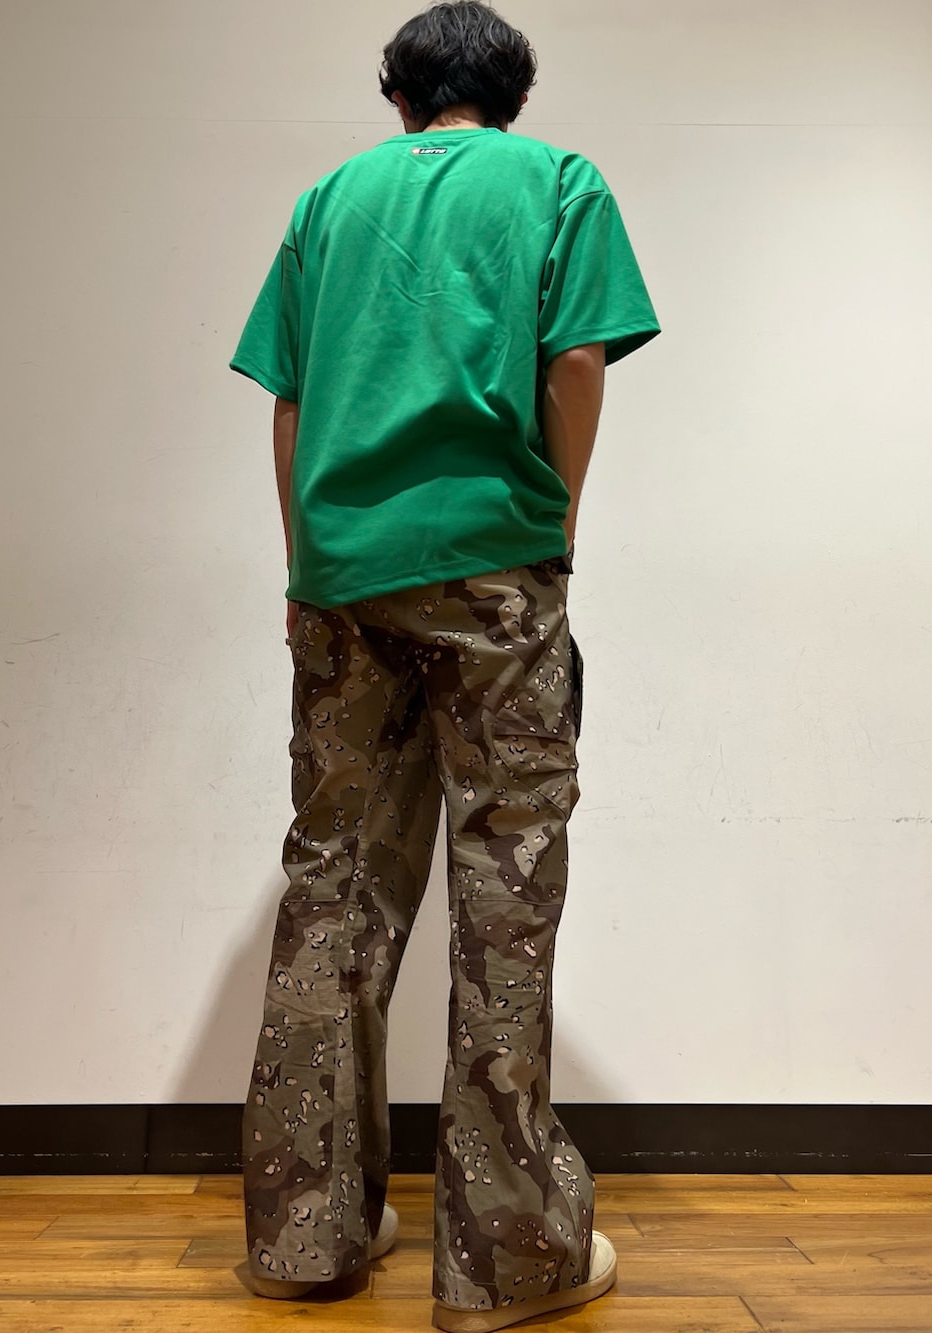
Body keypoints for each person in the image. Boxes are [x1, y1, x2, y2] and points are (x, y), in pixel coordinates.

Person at [229, 3, 660, 1328]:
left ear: (400, 94)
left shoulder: (328, 201)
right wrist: (557, 521)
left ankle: (304, 1234)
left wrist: (304, 566)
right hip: (494, 571)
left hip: (341, 578)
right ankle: (504, 1260)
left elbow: (292, 399)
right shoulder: (559, 180)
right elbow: (574, 358)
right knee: (504, 891)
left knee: (334, 885)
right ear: (510, 95)